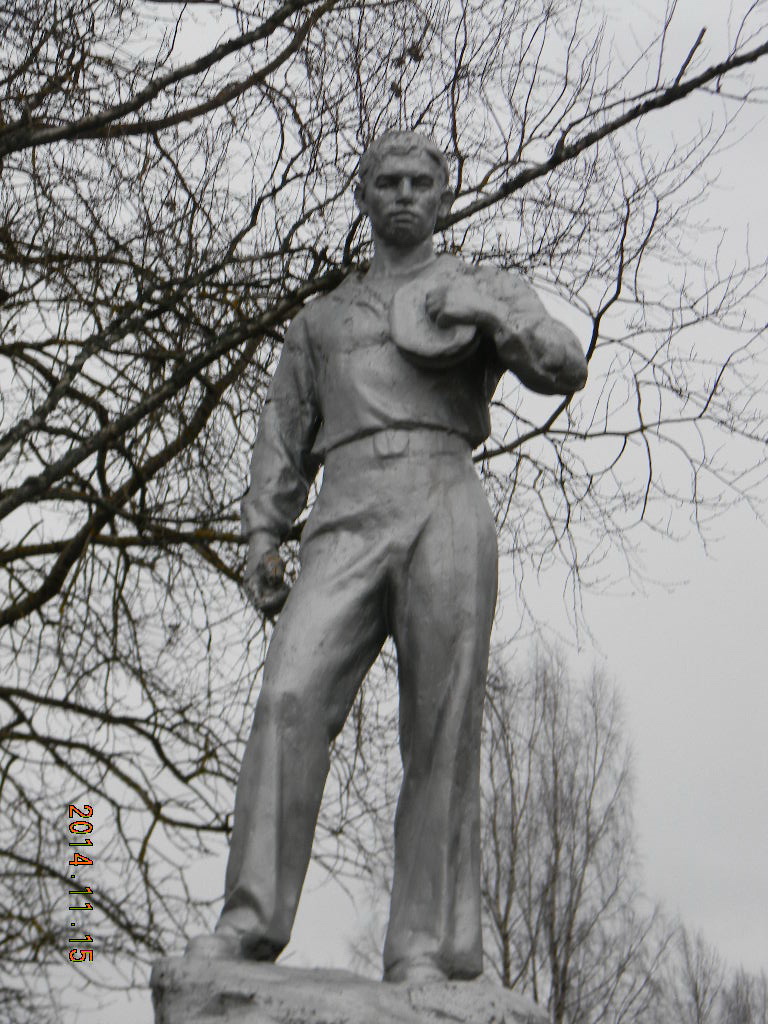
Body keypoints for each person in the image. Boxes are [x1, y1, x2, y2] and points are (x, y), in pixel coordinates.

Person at [187, 130, 587, 982]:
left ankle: (423, 950)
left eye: (420, 183)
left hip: (445, 496)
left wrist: (492, 316)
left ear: (443, 197)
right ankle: (250, 921)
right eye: (388, 182)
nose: (405, 194)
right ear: (363, 196)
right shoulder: (322, 319)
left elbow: (564, 364)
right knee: (288, 697)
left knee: (442, 729)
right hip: (346, 506)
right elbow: (282, 433)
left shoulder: (477, 288)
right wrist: (263, 533)